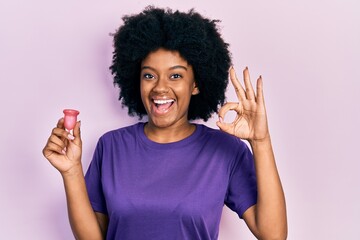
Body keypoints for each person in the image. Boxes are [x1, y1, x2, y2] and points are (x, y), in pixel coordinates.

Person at [43, 6, 287, 240]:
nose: (160, 87)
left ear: (196, 84)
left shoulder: (225, 150)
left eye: (176, 76)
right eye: (149, 75)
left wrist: (260, 142)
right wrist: (71, 171)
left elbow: (273, 235)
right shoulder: (111, 146)